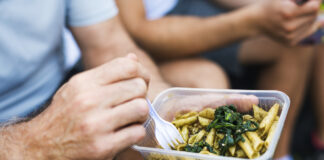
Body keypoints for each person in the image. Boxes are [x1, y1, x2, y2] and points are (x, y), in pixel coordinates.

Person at [116, 0, 321, 159]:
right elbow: (137, 31)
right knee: (207, 80)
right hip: (148, 32)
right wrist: (253, 20)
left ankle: (281, 155)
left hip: (185, 7)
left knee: (299, 37)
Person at [0, 0, 175, 159]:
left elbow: (108, 43)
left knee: (194, 75)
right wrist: (32, 143)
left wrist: (164, 106)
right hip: (10, 131)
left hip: (58, 89)